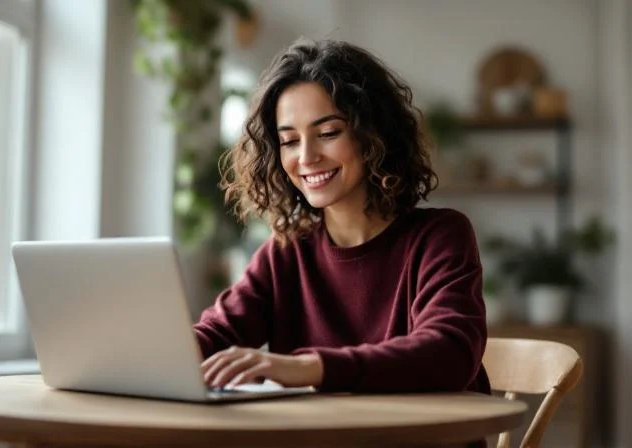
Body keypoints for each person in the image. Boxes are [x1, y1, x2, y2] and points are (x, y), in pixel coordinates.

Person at [194, 38, 490, 396]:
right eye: (289, 141)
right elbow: (215, 334)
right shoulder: (286, 252)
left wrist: (311, 368)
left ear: (373, 135)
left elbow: (449, 353)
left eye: (328, 133)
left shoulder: (439, 236)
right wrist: (154, 354)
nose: (306, 157)